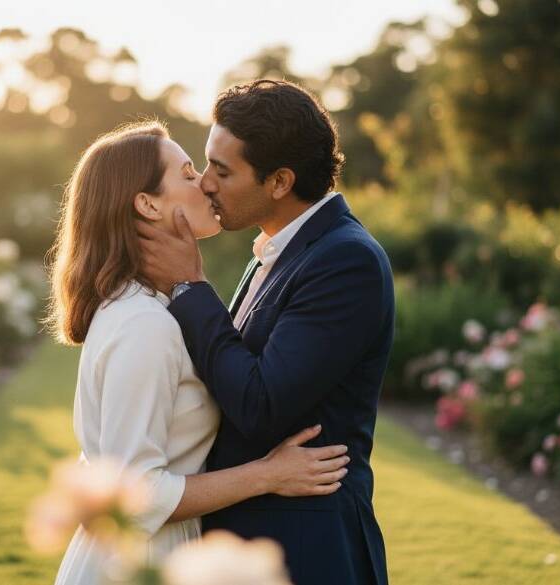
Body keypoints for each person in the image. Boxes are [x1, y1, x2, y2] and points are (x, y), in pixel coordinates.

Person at [44, 120, 350, 585]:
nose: (205, 184)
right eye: (188, 174)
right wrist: (267, 475)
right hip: (131, 564)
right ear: (147, 204)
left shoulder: (152, 309)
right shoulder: (143, 325)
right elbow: (136, 492)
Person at [136, 80, 395, 585]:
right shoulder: (277, 251)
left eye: (223, 170)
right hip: (248, 543)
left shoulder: (346, 260)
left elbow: (260, 404)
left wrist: (191, 287)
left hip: (306, 551)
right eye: (207, 163)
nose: (206, 182)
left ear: (279, 182)